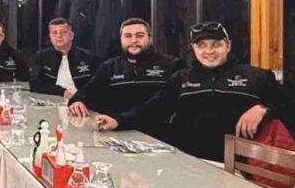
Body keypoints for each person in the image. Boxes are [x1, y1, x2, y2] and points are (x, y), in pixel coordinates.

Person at [95, 22, 295, 162]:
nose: (209, 51)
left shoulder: (256, 76)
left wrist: (263, 107)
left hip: (241, 168)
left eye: (216, 45)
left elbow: (289, 102)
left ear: (228, 46)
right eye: (202, 46)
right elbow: (151, 109)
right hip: (190, 163)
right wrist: (119, 120)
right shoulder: (181, 78)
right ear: (193, 48)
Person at [68, 18, 182, 129]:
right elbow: (88, 91)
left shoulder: (172, 65)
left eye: (140, 35)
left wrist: (121, 120)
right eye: (128, 36)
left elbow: (163, 104)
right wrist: (77, 101)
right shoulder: (109, 67)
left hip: (158, 133)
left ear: (150, 38)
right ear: (121, 39)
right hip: (117, 132)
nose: (133, 40)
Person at [30, 18, 95, 99]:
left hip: (82, 100)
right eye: (54, 33)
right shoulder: (41, 56)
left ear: (71, 35)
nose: (59, 36)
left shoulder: (88, 56)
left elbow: (96, 84)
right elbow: (34, 83)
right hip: (52, 99)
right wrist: (62, 92)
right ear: (50, 36)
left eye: (64, 32)